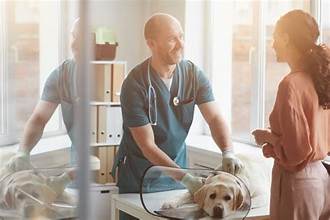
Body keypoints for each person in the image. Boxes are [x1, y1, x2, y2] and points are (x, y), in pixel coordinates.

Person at [112, 13, 243, 219]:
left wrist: (227, 151)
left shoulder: (193, 75)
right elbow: (148, 146)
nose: (180, 44)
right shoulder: (134, 84)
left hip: (176, 177)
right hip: (139, 179)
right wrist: (187, 178)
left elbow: (215, 118)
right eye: (172, 39)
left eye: (181, 36)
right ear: (151, 43)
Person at [252, 10, 330, 220]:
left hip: (297, 184)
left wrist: (267, 137)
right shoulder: (321, 78)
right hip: (321, 181)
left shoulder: (290, 84)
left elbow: (296, 152)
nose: (272, 44)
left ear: (286, 38)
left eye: (275, 37)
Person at [4, 18, 82, 181]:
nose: (74, 44)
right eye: (74, 36)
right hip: (79, 160)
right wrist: (23, 153)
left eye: (82, 38)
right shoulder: (62, 75)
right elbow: (39, 119)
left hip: (111, 161)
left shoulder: (112, 76)